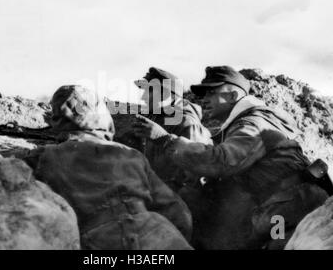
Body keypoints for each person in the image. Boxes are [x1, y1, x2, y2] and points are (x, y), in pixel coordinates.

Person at [133, 66, 329, 249]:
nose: (204, 99)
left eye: (211, 92)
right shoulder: (240, 125)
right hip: (276, 210)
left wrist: (166, 140)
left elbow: (223, 161)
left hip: (288, 213)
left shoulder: (253, 124)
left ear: (233, 95)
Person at [21, 85, 193, 250]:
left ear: (58, 119)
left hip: (96, 240)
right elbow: (179, 213)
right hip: (159, 234)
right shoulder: (132, 154)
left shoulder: (44, 157)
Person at [134, 67, 212, 191]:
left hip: (177, 203)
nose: (143, 97)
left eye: (149, 91)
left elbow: (193, 177)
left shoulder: (188, 123)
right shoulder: (155, 119)